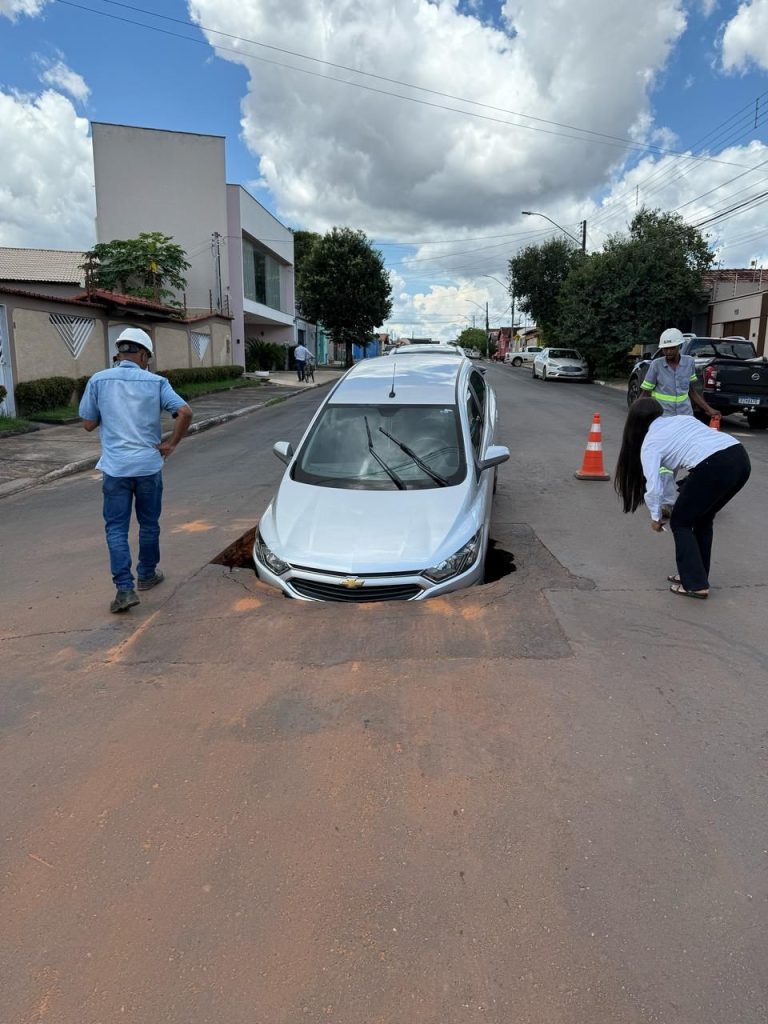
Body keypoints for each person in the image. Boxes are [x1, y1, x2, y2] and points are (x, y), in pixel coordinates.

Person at [79, 327, 193, 613]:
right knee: (149, 523)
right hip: (148, 466)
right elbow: (185, 412)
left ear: (119, 353)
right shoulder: (156, 382)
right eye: (147, 358)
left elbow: (88, 423)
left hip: (116, 469)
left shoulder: (98, 380)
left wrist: (110, 411)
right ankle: (146, 574)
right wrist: (171, 444)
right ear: (143, 355)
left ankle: (124, 589)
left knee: (116, 528)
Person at [615, 398, 751, 599]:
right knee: (703, 519)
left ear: (634, 422)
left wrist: (655, 516)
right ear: (659, 412)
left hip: (713, 466)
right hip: (740, 458)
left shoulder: (650, 442)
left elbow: (653, 484)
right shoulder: (681, 419)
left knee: (680, 522)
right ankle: (696, 574)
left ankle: (695, 585)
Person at [637, 327, 721, 514]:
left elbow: (691, 391)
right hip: (663, 419)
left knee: (691, 457)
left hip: (684, 419)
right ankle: (667, 502)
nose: (668, 352)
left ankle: (687, 492)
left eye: (672, 348)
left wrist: (708, 409)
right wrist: (637, 415)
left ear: (680, 347)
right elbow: (645, 392)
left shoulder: (689, 363)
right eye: (665, 349)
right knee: (666, 463)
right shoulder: (657, 365)